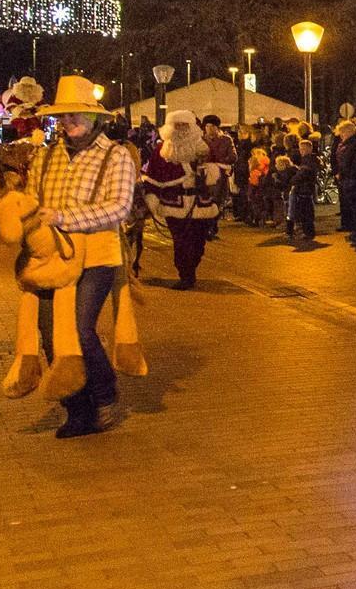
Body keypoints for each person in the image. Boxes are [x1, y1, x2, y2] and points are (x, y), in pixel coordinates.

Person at [26, 77, 139, 439]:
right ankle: (76, 407)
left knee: (78, 328)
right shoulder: (46, 155)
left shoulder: (116, 155)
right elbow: (32, 200)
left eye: (75, 114)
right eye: (62, 115)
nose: (68, 120)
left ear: (94, 118)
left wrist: (64, 218)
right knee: (49, 334)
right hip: (52, 255)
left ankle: (104, 394)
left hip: (96, 254)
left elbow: (119, 207)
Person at [141, 110, 223, 289]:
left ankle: (191, 269)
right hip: (174, 204)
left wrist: (206, 171)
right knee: (181, 242)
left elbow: (215, 174)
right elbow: (152, 177)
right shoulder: (161, 151)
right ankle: (186, 275)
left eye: (184, 125)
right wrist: (151, 200)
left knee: (198, 243)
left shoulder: (203, 148)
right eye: (177, 126)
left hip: (200, 203)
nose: (181, 129)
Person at [200, 116, 235, 240]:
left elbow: (232, 157)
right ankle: (205, 228)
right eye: (207, 126)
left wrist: (218, 162)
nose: (208, 129)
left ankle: (212, 226)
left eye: (211, 127)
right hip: (205, 174)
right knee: (205, 201)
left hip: (219, 174)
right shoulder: (202, 140)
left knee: (216, 201)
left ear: (216, 128)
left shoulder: (226, 140)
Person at [288, 139, 320, 242]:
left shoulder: (308, 161)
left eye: (303, 149)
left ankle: (308, 232)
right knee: (306, 211)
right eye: (301, 149)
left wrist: (292, 180)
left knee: (305, 211)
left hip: (305, 188)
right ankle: (308, 231)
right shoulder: (309, 160)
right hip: (306, 188)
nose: (301, 151)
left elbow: (303, 174)